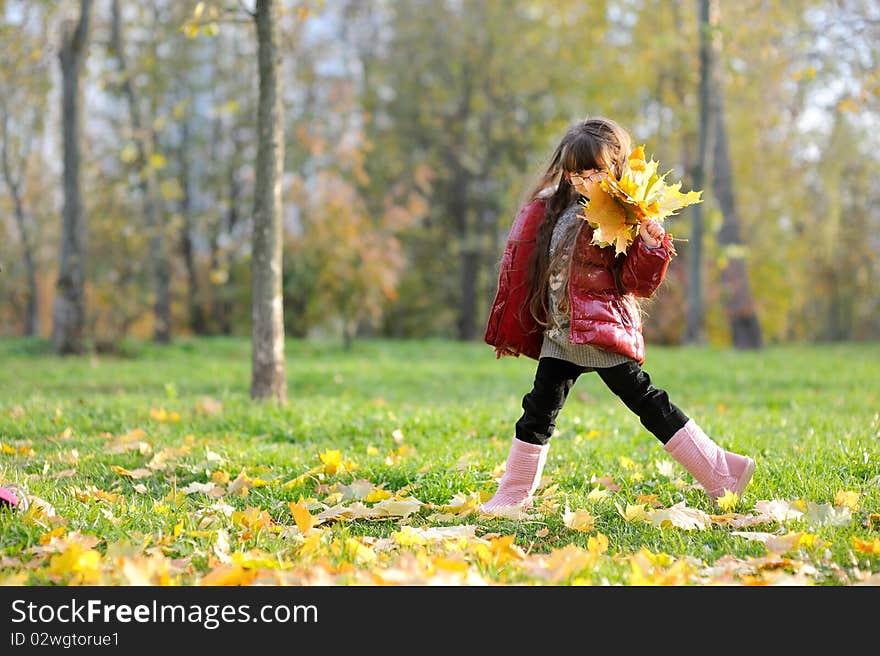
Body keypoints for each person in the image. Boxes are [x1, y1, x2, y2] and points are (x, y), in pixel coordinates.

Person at [482, 117, 755, 513]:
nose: (583, 181)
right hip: (561, 335)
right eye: (575, 172)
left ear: (615, 167)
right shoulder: (559, 207)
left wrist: (651, 247)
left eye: (593, 171)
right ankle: (513, 493)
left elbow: (636, 282)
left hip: (600, 332)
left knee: (648, 403)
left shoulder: (622, 213)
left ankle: (720, 469)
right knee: (537, 411)